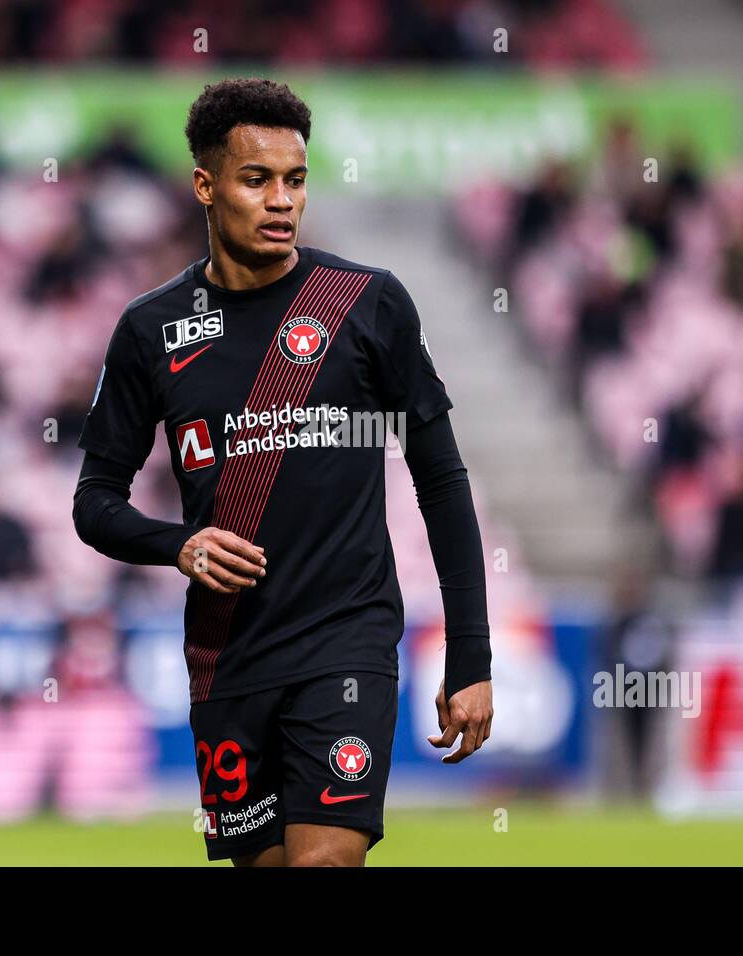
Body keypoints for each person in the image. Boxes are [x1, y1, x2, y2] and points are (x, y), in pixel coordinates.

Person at [73, 77, 492, 866]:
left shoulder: (366, 304)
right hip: (229, 655)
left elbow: (441, 479)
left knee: (323, 862)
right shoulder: (149, 330)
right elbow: (94, 503)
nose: (281, 201)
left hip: (347, 641)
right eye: (256, 179)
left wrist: (470, 655)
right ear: (205, 185)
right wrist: (181, 546)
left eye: (295, 180)